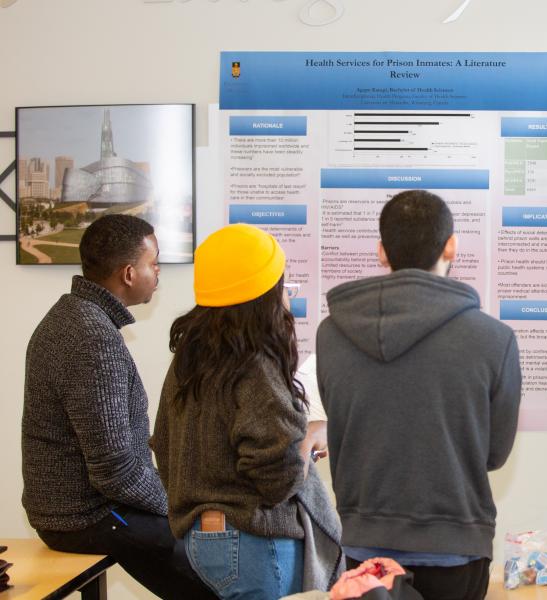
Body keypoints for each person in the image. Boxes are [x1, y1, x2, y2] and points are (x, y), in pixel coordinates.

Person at [317, 190, 521, 600]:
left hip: (365, 552)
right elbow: (494, 454)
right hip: (456, 547)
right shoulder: (494, 339)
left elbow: (341, 424)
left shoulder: (331, 333)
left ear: (381, 251)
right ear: (451, 246)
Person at [21, 214, 214, 599]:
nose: (158, 273)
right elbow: (115, 473)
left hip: (79, 509)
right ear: (128, 273)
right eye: (153, 263)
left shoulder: (71, 316)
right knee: (218, 576)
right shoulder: (93, 338)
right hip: (86, 517)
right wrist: (180, 508)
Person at [151, 223, 343, 599]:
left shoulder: (190, 360)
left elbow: (165, 447)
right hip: (253, 543)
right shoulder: (255, 365)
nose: (287, 299)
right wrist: (305, 443)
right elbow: (278, 477)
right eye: (283, 286)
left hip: (201, 541)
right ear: (264, 294)